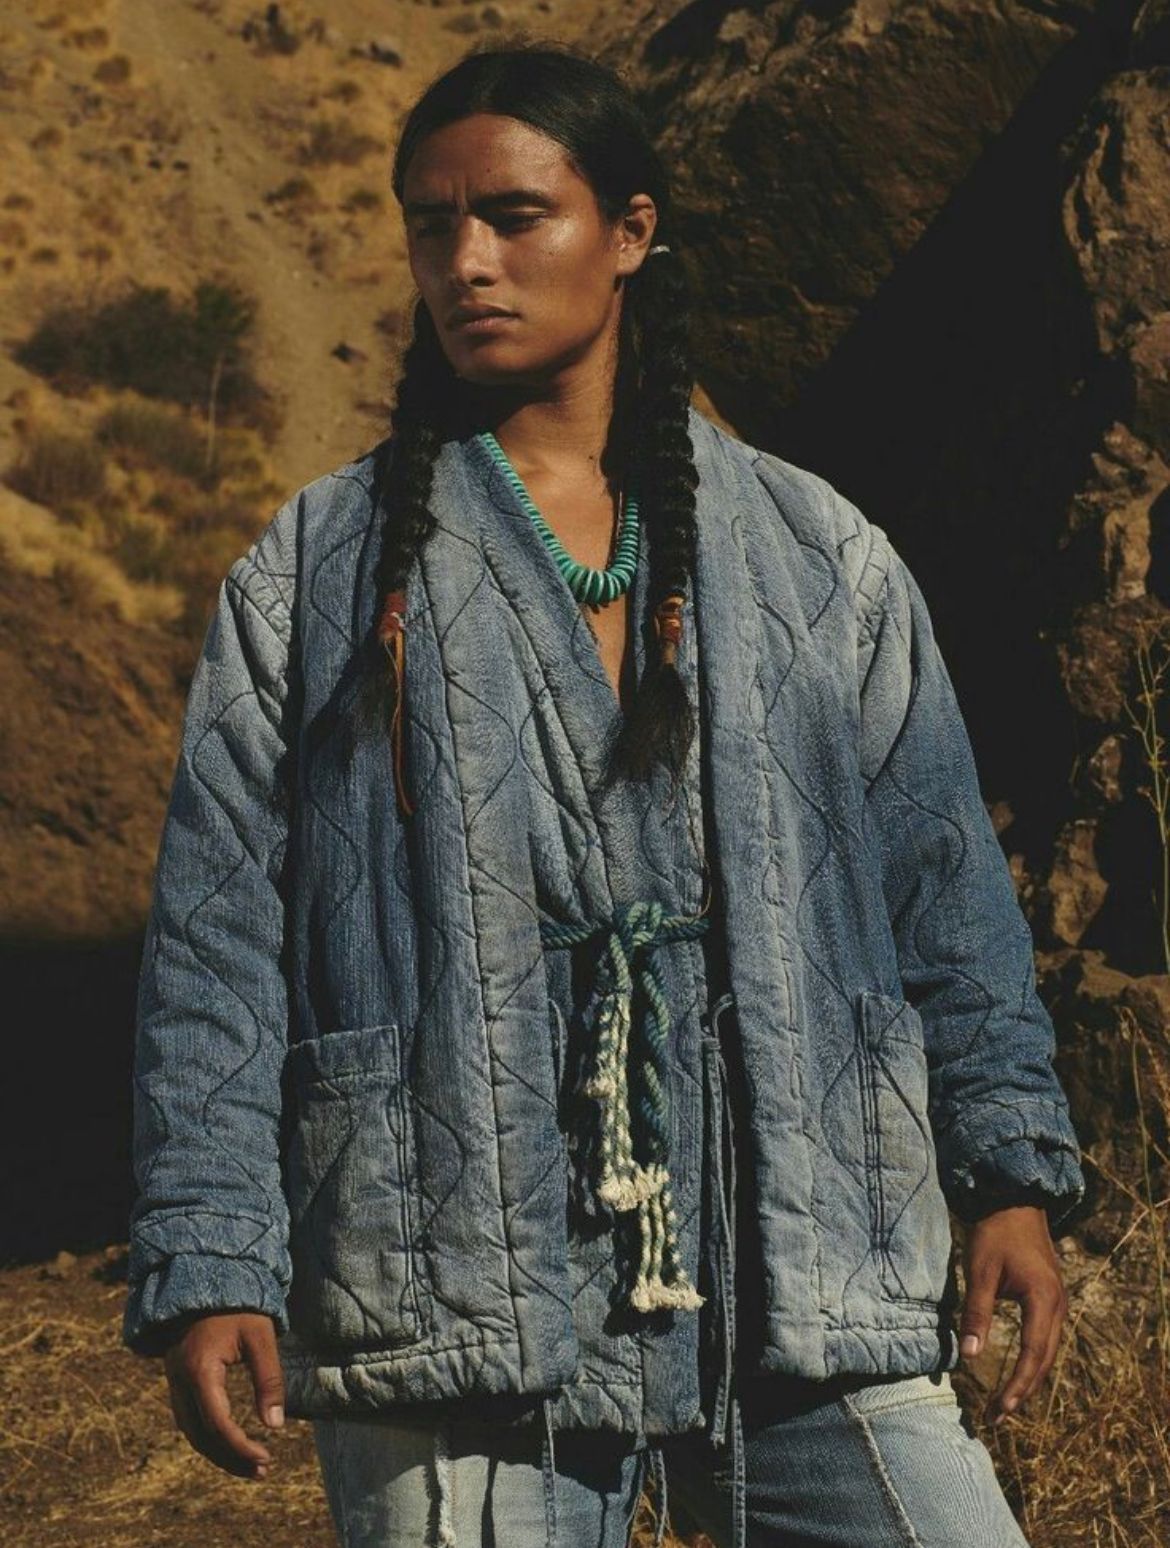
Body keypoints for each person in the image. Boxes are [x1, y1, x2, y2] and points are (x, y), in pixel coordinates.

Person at [122, 38, 1087, 1548]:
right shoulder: (315, 576)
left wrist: (1006, 1177)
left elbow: (942, 885)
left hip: (802, 1246)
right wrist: (211, 1256)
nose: (466, 262)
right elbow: (215, 941)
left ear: (630, 232)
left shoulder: (816, 555)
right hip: (451, 1263)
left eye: (515, 217)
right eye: (432, 224)